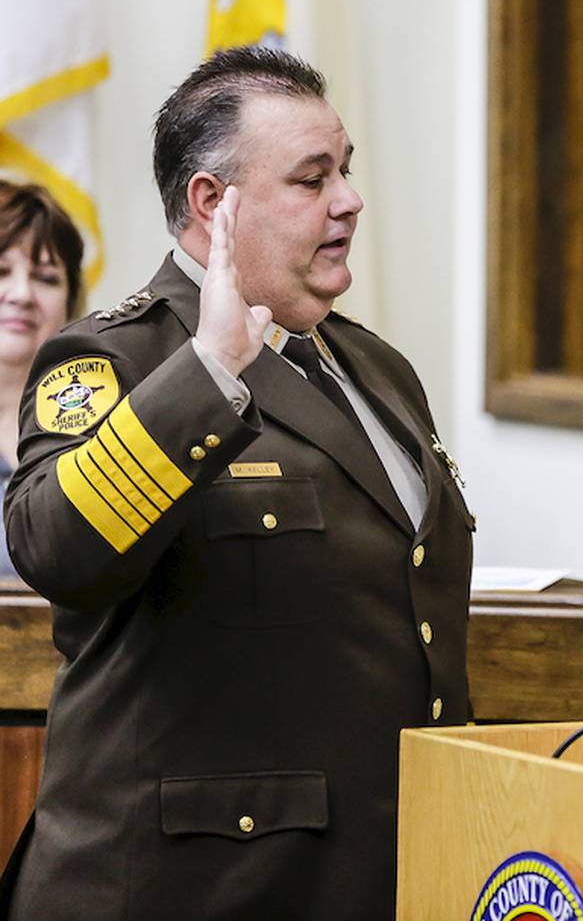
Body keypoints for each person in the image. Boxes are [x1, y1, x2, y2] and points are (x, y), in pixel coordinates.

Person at [0, 47, 473, 921]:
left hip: (369, 874)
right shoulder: (114, 356)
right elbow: (54, 548)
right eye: (310, 178)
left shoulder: (378, 368)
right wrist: (212, 366)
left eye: (347, 170)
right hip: (188, 887)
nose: (349, 199)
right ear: (212, 203)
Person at [0, 181, 86, 578]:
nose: (21, 294)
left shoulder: (112, 420)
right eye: (1, 271)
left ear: (71, 303)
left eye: (46, 277)